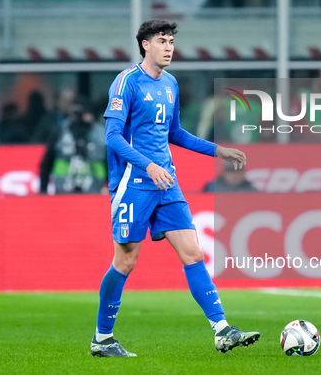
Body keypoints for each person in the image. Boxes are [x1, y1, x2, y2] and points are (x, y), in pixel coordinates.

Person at [91, 20, 260, 358]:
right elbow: (112, 137)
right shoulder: (127, 82)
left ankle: (222, 330)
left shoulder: (169, 83)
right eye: (161, 41)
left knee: (193, 253)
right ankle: (102, 339)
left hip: (166, 182)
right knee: (125, 260)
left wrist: (218, 150)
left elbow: (176, 134)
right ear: (145, 45)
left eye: (171, 41)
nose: (168, 47)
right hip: (133, 184)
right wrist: (147, 165)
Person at [39, 98, 107, 194]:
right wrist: (43, 191)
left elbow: (112, 165)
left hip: (94, 192)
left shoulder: (101, 134)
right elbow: (46, 164)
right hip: (64, 192)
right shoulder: (60, 131)